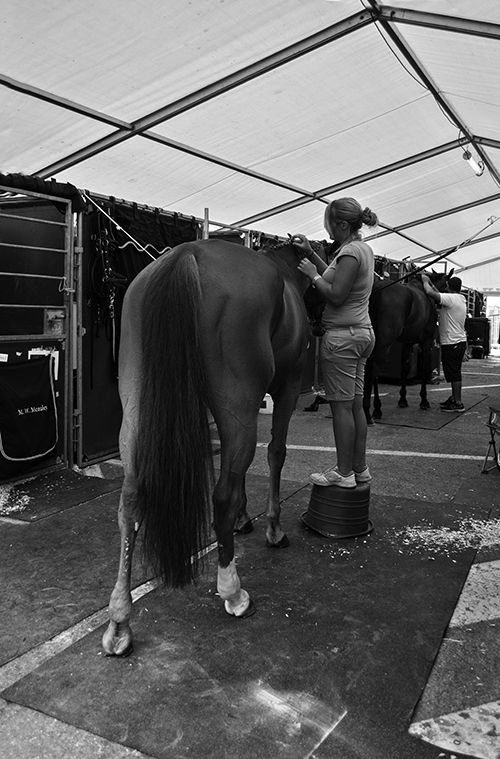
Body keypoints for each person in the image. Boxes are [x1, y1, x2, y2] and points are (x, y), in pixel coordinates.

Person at [293, 197, 378, 488]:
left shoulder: (350, 252)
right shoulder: (361, 249)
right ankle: (359, 468)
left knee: (341, 408)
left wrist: (312, 275)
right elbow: (335, 274)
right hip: (361, 335)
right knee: (355, 406)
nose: (326, 228)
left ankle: (343, 473)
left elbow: (336, 294)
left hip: (342, 339)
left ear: (342, 224)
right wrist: (312, 255)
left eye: (329, 223)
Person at [422, 274, 467, 412]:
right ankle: (454, 398)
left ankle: (458, 403)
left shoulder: (451, 299)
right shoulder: (460, 298)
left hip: (452, 343)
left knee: (454, 374)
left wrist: (425, 281)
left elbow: (430, 292)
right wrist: (432, 284)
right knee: (453, 372)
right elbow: (438, 293)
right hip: (457, 342)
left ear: (448, 286)